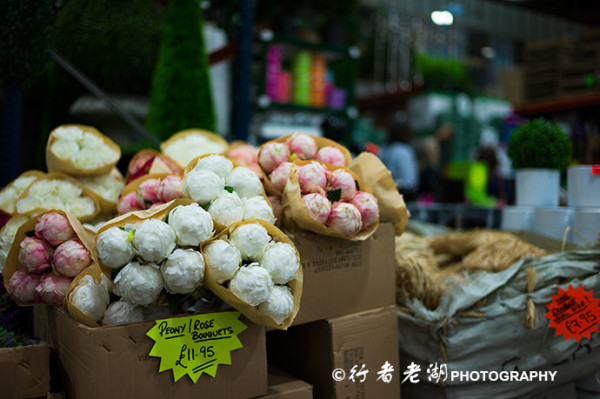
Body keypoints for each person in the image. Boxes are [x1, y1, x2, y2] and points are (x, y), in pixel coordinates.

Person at [379, 119, 419, 201]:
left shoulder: (385, 149)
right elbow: (410, 182)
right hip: (400, 198)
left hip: (386, 195)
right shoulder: (403, 151)